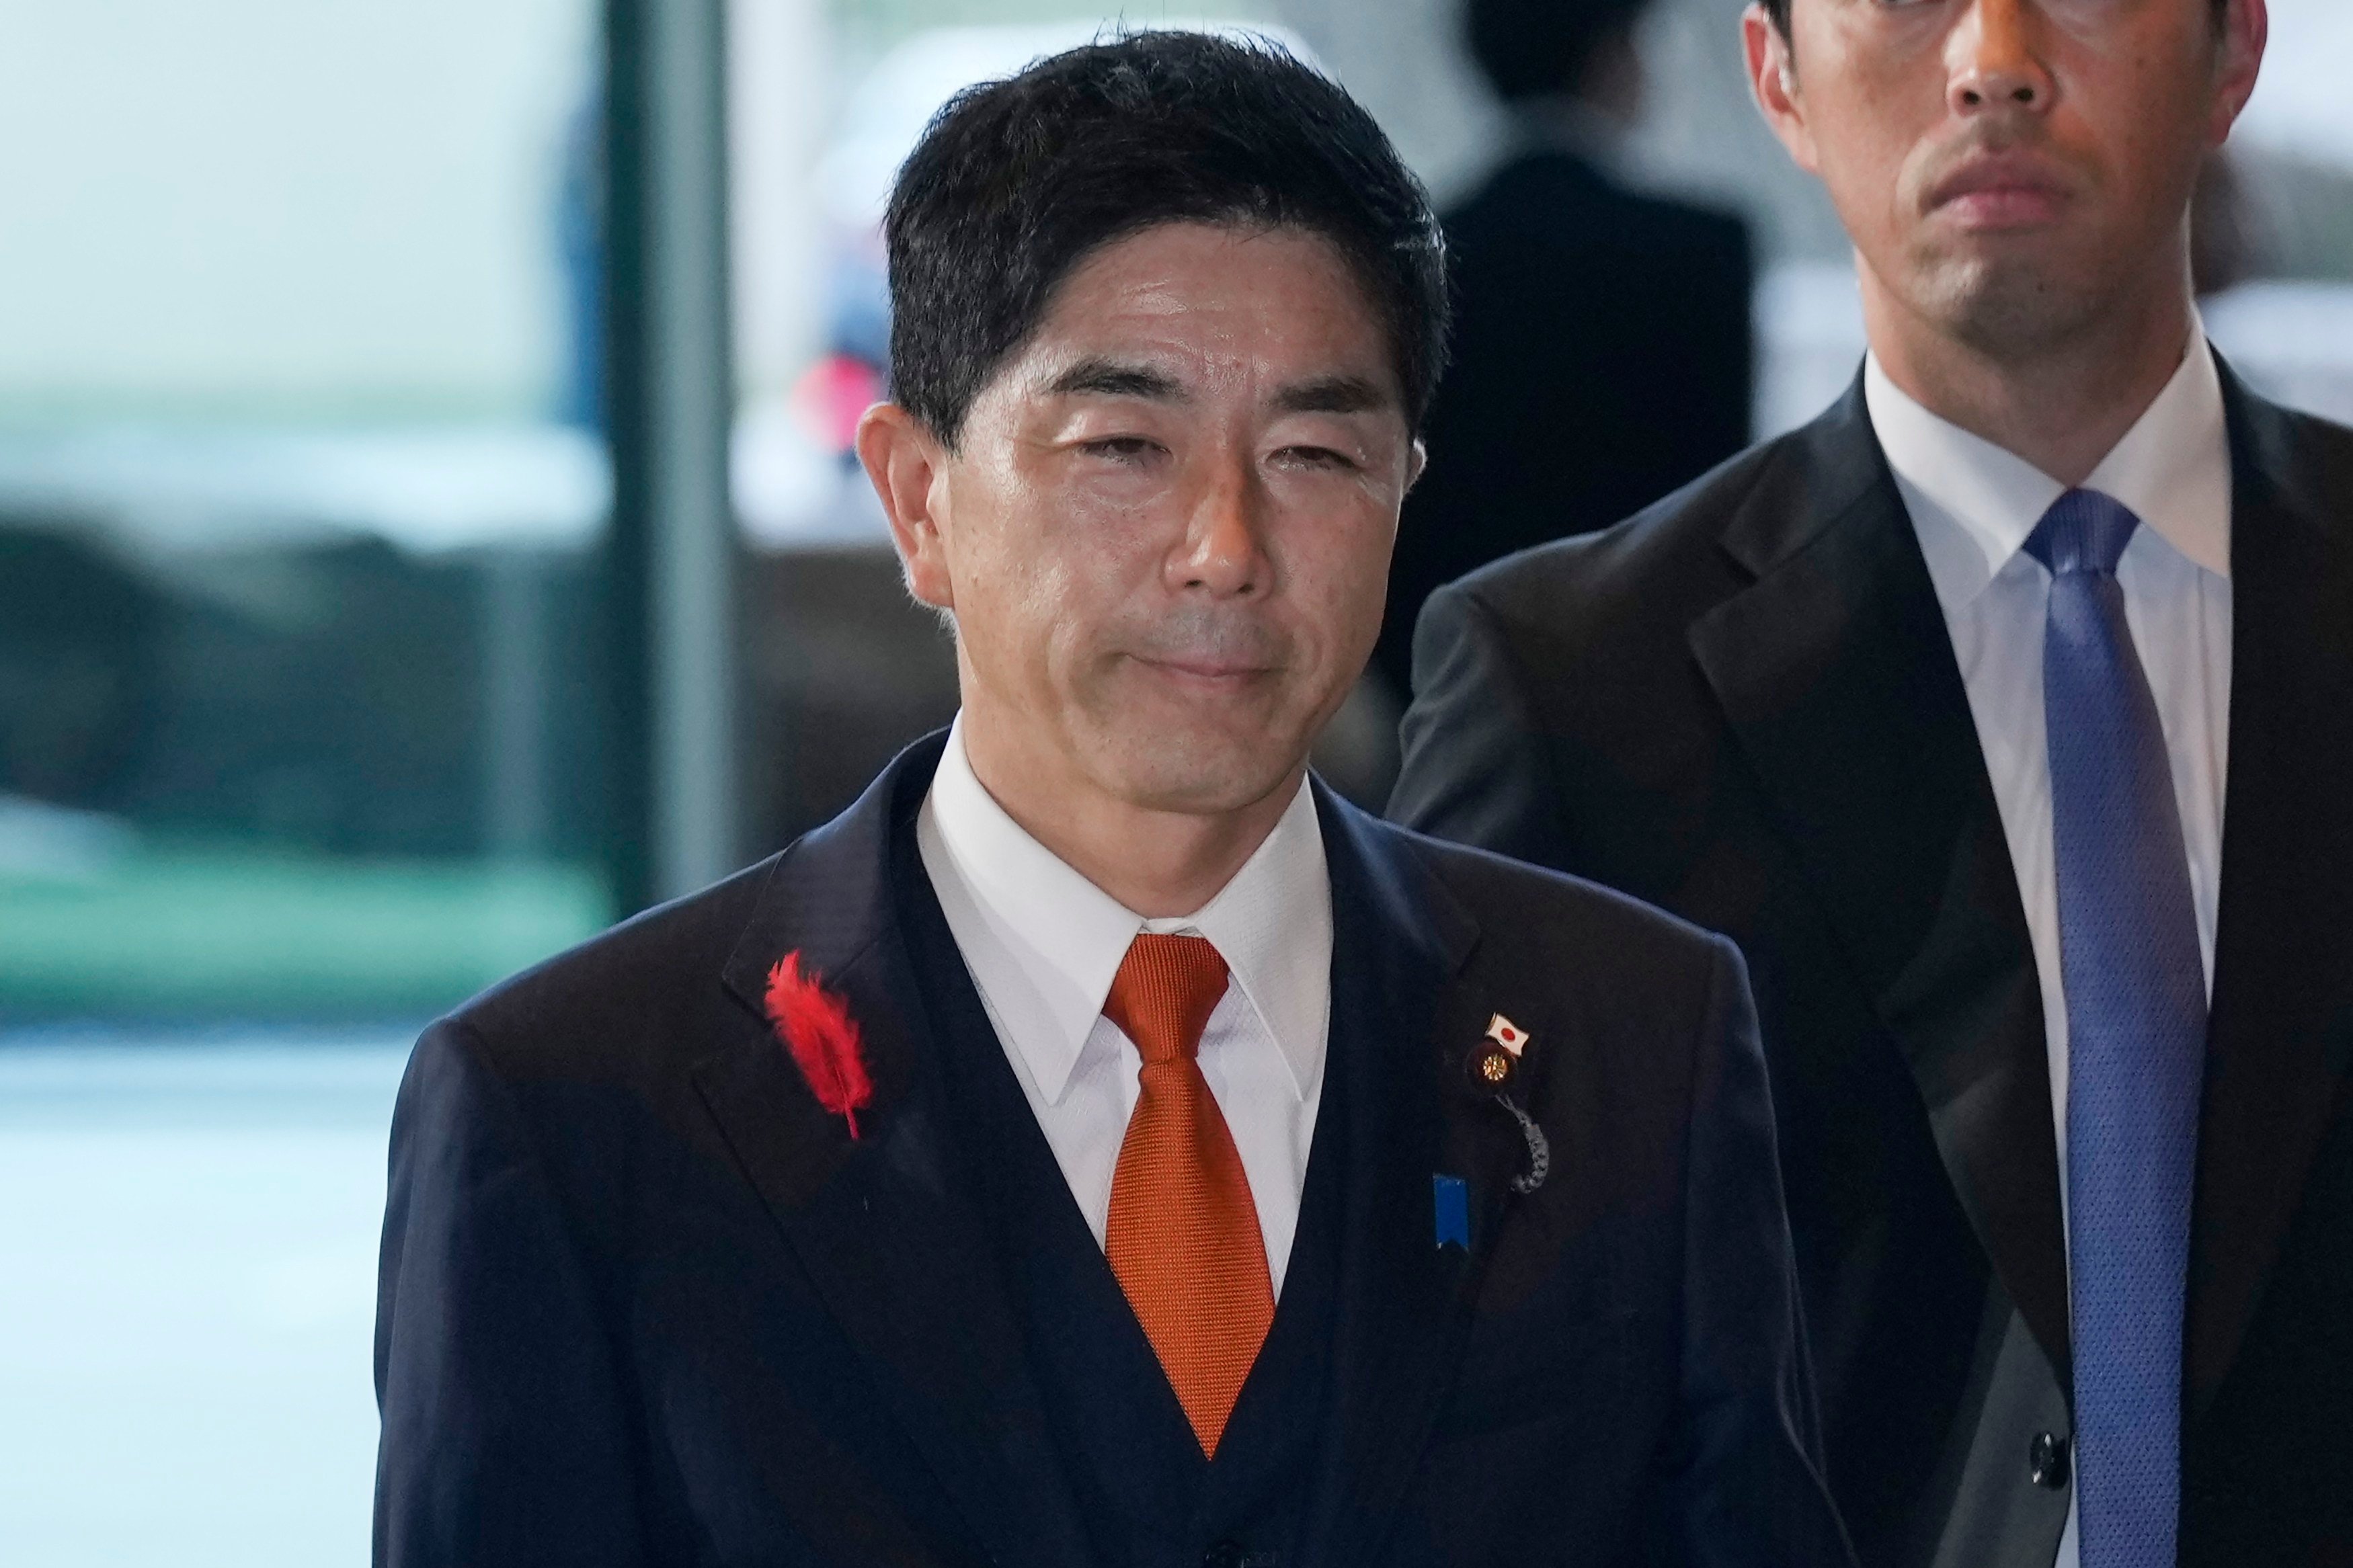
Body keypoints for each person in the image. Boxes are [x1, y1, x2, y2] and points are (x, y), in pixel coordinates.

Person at [372, 32, 1849, 1568]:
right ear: (918, 501)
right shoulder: (572, 1115)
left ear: (1407, 488)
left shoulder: (1633, 1043)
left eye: (1315, 452)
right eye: (1124, 447)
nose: (1225, 543)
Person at [1393, 0, 2353, 1564]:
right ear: (1777, 73)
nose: (1994, 55)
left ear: (2233, 49)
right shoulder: (1568, 686)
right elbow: (1456, 1369)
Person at [1370, 0, 1753, 701]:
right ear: (1613, 55)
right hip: (1651, 679)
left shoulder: (1409, 261)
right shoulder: (1699, 252)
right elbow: (1714, 505)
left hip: (1450, 677)